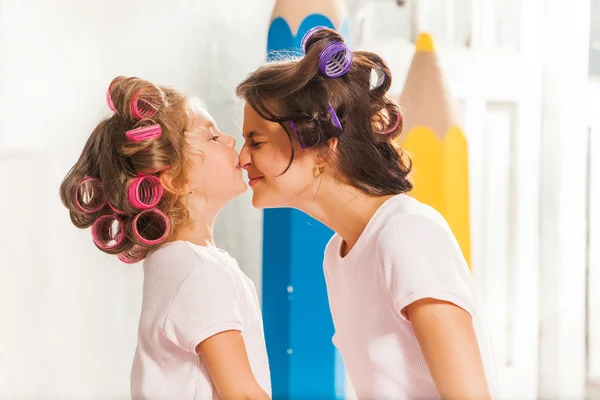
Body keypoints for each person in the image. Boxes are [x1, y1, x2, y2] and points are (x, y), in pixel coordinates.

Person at [237, 27, 497, 399]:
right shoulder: (337, 255)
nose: (242, 159)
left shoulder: (407, 235)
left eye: (256, 141)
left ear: (323, 145)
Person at [59, 76, 271, 399]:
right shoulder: (197, 271)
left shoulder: (180, 262)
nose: (230, 141)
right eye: (212, 136)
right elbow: (242, 394)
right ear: (174, 178)